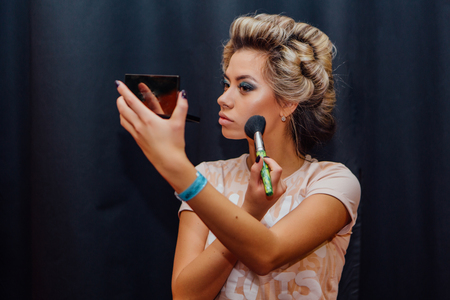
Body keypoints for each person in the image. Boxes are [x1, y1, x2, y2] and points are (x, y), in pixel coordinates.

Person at [116, 13, 360, 300]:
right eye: (225, 83)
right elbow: (186, 295)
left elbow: (268, 253)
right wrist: (249, 211)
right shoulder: (209, 176)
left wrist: (178, 170)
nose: (223, 98)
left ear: (288, 102)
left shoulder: (333, 182)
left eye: (244, 87)